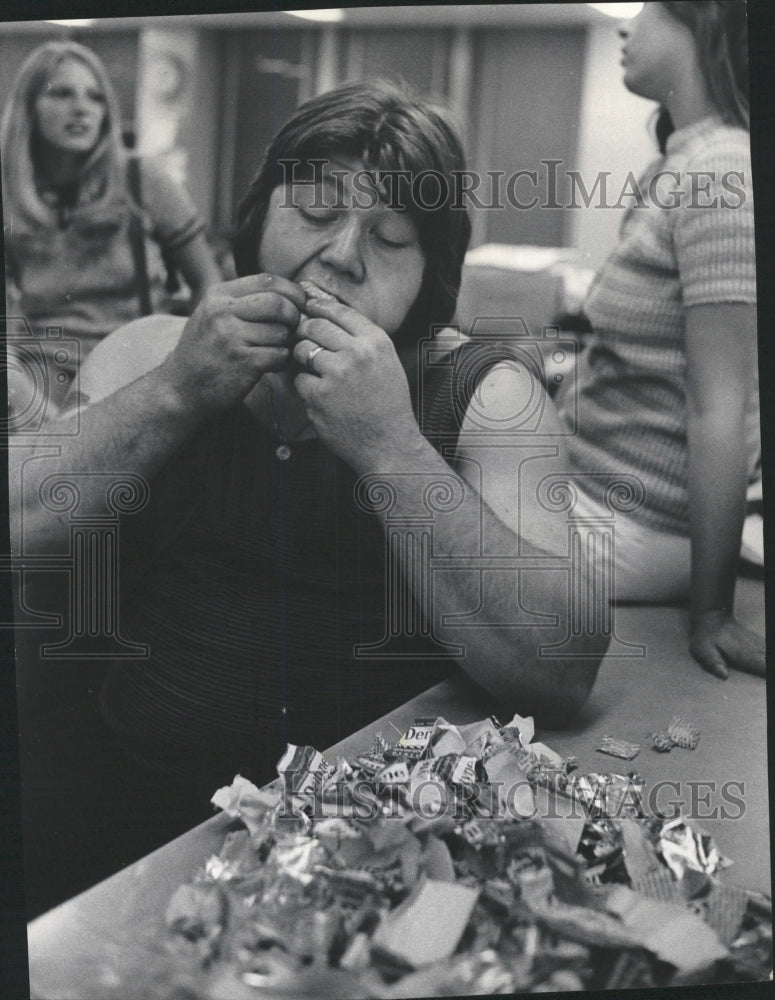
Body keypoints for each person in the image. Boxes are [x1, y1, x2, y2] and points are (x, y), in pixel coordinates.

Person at [12, 81, 607, 914]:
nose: (341, 256)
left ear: (431, 278)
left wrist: (391, 447)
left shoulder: (487, 393)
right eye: (315, 212)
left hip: (375, 844)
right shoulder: (151, 350)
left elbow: (564, 664)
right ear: (258, 219)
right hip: (131, 813)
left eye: (390, 237)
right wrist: (180, 390)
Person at [551, 0, 764, 679]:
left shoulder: (721, 172)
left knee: (406, 514)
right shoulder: (680, 162)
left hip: (629, 523)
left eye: (644, 7)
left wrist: (712, 612)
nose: (625, 25)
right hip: (588, 487)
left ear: (700, 22)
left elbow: (719, 408)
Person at [2, 40, 220, 411]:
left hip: (134, 363)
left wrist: (190, 363)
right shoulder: (10, 192)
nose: (82, 109)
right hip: (44, 371)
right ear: (29, 108)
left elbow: (207, 279)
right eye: (63, 94)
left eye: (95, 97)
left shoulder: (141, 177)